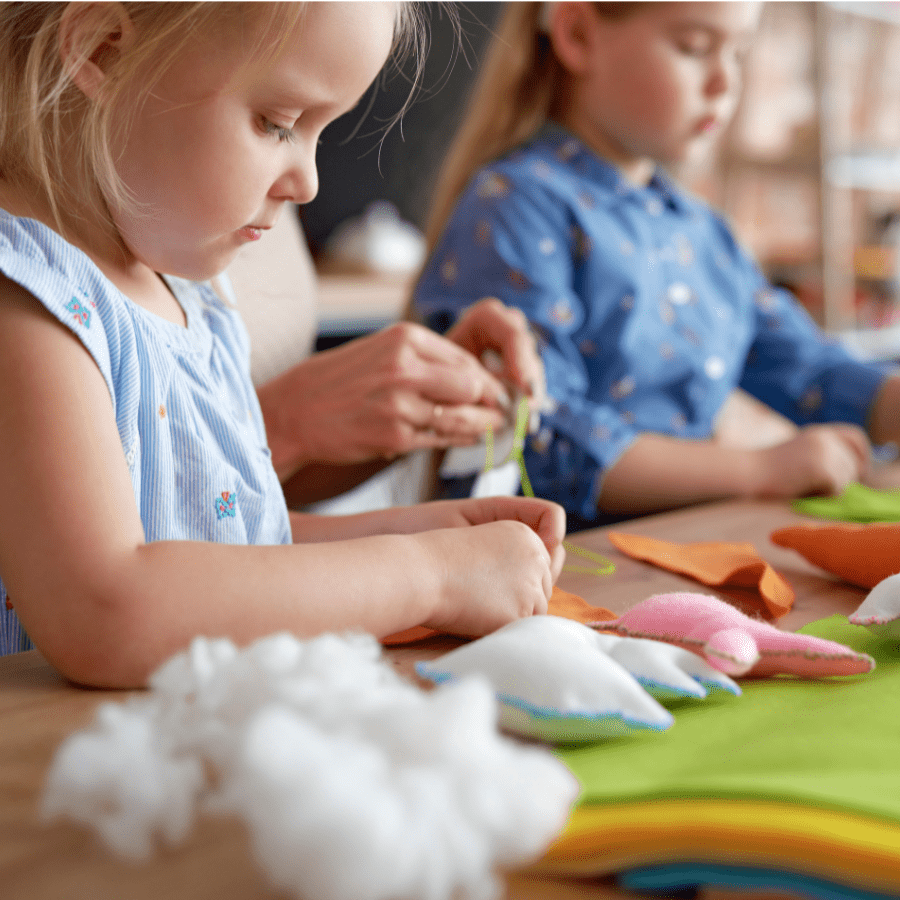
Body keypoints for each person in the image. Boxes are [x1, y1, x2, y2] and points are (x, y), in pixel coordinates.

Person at [0, 2, 567, 685]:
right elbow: (109, 611)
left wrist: (427, 540)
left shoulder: (193, 300)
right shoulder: (26, 299)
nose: (309, 182)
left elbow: (231, 546)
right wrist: (429, 575)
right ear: (99, 50)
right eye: (278, 124)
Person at [411, 1, 900, 532]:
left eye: (738, 52)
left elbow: (809, 370)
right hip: (545, 573)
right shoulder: (515, 205)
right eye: (694, 47)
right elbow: (540, 435)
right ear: (578, 34)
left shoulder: (703, 231)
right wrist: (759, 468)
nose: (724, 82)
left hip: (666, 558)